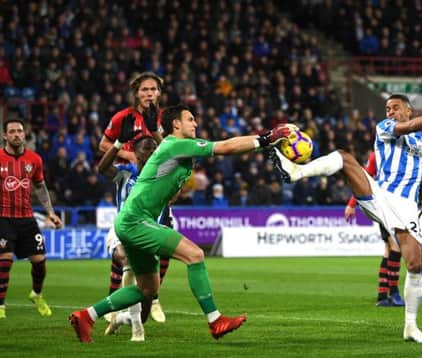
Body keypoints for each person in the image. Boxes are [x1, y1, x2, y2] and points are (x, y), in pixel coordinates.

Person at [69, 104, 293, 343]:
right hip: (136, 220)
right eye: (190, 119)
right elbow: (225, 147)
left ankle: (87, 316)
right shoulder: (176, 145)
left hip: (131, 221)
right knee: (195, 254)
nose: (195, 124)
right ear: (176, 124)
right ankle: (215, 320)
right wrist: (266, 138)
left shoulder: (173, 149)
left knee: (148, 289)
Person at [271, 94, 422, 343]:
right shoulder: (386, 127)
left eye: (395, 108)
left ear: (408, 109)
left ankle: (410, 326)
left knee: (415, 265)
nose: (389, 112)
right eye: (387, 108)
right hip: (381, 195)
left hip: (407, 207)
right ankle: (297, 171)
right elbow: (410, 127)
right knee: (345, 158)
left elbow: (421, 171)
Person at [99, 71, 170, 323]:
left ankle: (155, 298)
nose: (149, 94)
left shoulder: (166, 118)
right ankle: (114, 299)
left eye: (153, 90)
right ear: (136, 93)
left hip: (158, 183)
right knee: (124, 246)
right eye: (144, 90)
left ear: (159, 93)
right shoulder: (123, 117)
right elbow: (102, 146)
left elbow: (175, 150)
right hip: (130, 179)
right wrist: (129, 156)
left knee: (164, 247)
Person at [344, 150, 422, 307]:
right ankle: (393, 293)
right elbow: (364, 179)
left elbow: (419, 178)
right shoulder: (377, 155)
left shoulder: (406, 154)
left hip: (402, 206)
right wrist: (352, 204)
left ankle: (382, 295)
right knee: (395, 248)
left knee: (389, 249)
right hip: (385, 205)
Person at [98, 114, 158, 341]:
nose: (150, 152)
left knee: (145, 303)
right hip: (122, 229)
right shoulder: (126, 173)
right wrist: (117, 144)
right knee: (127, 259)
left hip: (148, 231)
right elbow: (102, 168)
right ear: (136, 152)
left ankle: (122, 319)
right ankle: (137, 332)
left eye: (154, 149)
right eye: (146, 149)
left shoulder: (160, 177)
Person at [0, 118, 63, 319]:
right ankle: (0, 305)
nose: (17, 134)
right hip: (3, 218)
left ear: (24, 134)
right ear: (5, 136)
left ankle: (36, 294)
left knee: (39, 260)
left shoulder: (34, 160)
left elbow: (40, 187)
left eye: (19, 131)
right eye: (12, 132)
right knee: (5, 260)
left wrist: (50, 212)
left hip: (27, 219)